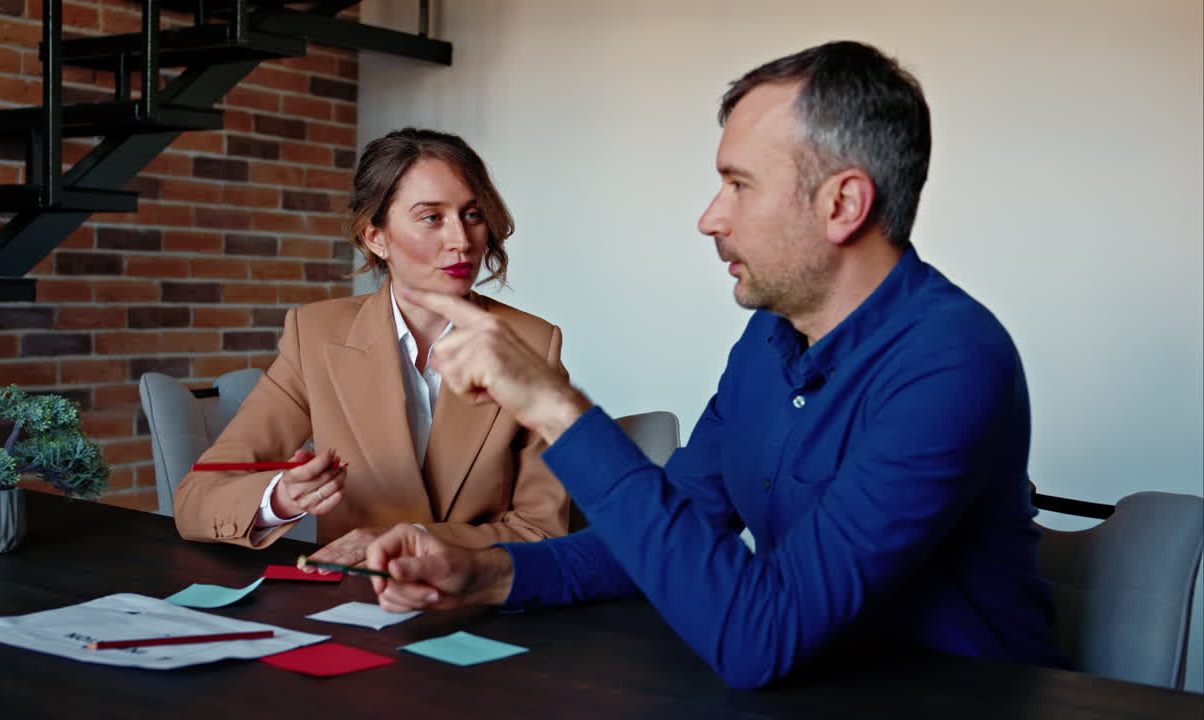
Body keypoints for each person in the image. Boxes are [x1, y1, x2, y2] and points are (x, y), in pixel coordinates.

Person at [361, 42, 1070, 689]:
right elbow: (665, 535)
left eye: (739, 184)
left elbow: (763, 635)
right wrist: (483, 574)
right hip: (819, 688)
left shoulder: (952, 361)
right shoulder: (768, 340)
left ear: (843, 204)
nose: (710, 216)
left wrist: (554, 405)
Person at [174, 128, 570, 563]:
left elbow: (543, 530)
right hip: (350, 603)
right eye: (432, 217)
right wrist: (281, 498)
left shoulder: (533, 344)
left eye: (472, 215)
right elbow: (197, 499)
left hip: (478, 599)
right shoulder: (316, 336)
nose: (462, 240)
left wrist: (416, 538)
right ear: (375, 237)